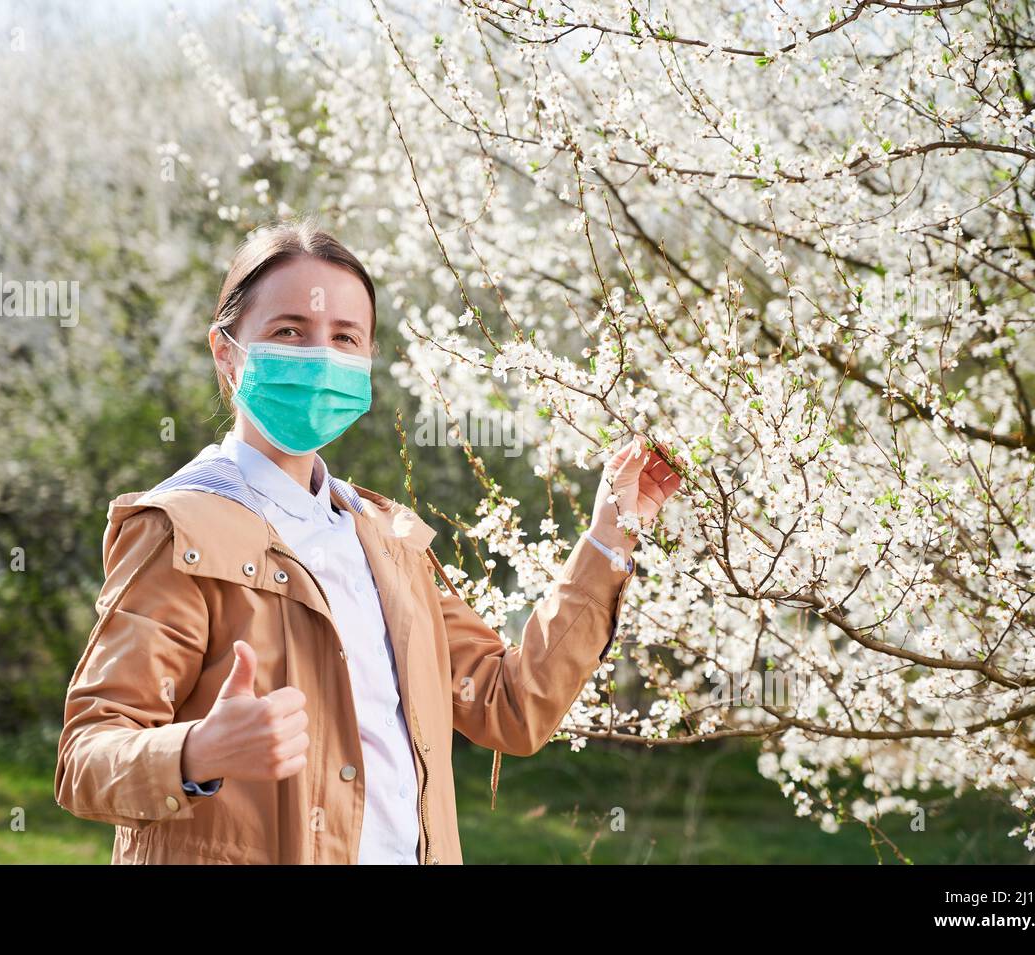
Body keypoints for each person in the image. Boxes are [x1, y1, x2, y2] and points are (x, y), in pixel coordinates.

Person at [53, 215, 683, 864]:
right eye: (289, 331)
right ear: (226, 349)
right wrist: (197, 751)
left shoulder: (388, 539)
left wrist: (610, 532)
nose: (320, 355)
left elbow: (509, 706)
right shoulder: (181, 529)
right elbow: (85, 758)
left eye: (345, 337)